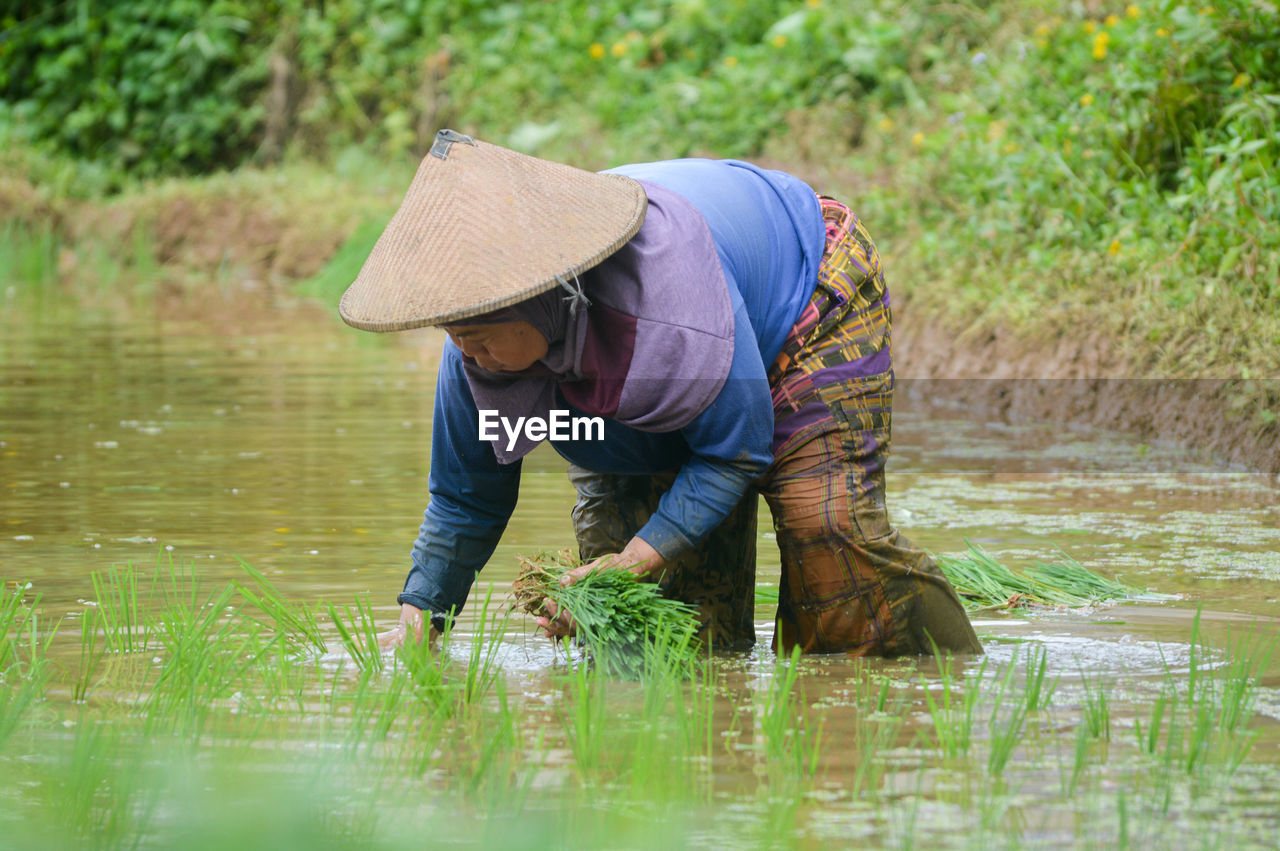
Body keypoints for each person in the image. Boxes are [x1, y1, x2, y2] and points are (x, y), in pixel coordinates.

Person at [340, 129, 981, 657]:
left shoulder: (667, 318)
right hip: (651, 377)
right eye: (452, 333)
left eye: (477, 333)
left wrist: (641, 555)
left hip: (804, 295)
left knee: (829, 541)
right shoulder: (478, 356)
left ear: (538, 300)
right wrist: (422, 614)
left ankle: (947, 687)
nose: (463, 350)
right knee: (651, 636)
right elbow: (464, 498)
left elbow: (734, 452)